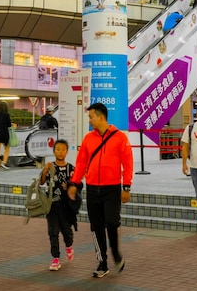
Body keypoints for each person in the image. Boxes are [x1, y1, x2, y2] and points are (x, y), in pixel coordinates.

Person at [67, 102, 132, 278]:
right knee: (96, 226)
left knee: (111, 222)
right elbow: (81, 163)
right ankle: (102, 262)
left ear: (101, 117)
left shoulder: (120, 137)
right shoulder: (89, 138)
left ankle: (116, 253)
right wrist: (74, 183)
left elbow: (127, 163)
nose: (90, 120)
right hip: (93, 188)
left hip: (112, 188)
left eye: (91, 117)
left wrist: (126, 186)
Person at [40, 139, 76, 271]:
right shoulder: (50, 167)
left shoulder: (71, 168)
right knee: (52, 232)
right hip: (52, 206)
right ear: (54, 151)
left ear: (67, 151)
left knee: (66, 230)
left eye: (63, 149)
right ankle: (55, 258)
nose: (60, 152)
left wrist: (71, 186)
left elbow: (77, 184)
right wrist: (44, 170)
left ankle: (69, 245)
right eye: (58, 149)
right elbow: (41, 182)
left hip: (66, 206)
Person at [0, 101, 14, 171]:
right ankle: (4, 162)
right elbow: (9, 125)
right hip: (4, 134)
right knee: (7, 148)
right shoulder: (6, 114)